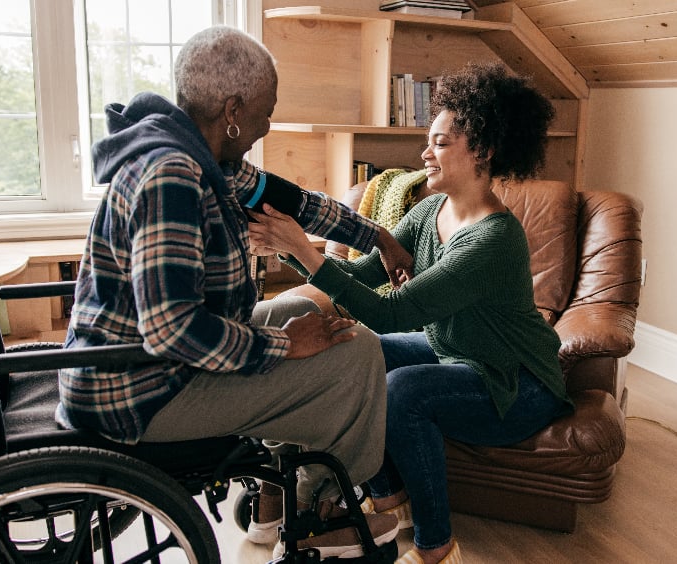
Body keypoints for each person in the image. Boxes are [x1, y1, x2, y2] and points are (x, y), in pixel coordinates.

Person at [55, 25, 405, 559]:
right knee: (356, 352)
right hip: (143, 394)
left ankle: (272, 505)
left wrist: (375, 236)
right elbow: (174, 330)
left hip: (143, 368)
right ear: (234, 108)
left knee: (300, 306)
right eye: (266, 111)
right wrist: (286, 346)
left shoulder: (203, 157)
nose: (267, 125)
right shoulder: (171, 174)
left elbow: (292, 201)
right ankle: (323, 514)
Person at [248, 62, 574, 564]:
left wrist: (307, 254)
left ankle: (436, 546)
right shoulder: (427, 212)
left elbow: (392, 312)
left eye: (441, 143)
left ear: (482, 151)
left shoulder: (493, 239)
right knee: (353, 350)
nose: (425, 152)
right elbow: (359, 282)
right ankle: (387, 503)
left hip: (516, 383)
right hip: (455, 353)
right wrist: (290, 246)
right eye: (430, 140)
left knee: (403, 391)